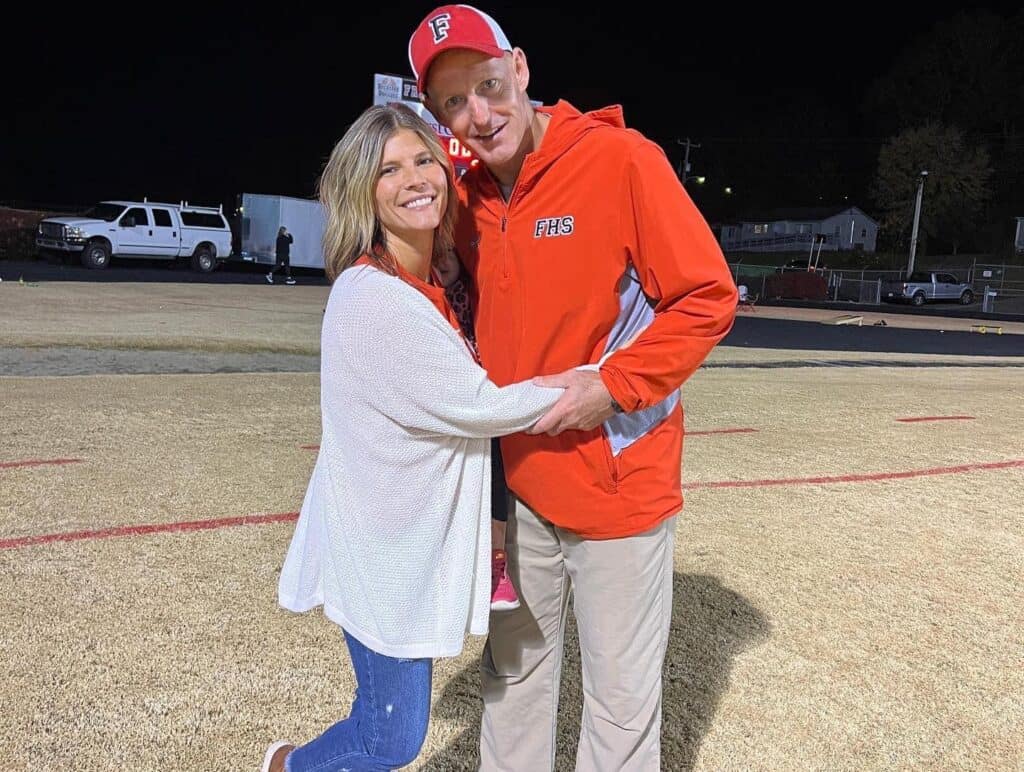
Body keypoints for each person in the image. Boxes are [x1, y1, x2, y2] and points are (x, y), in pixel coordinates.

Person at [409, 6, 739, 770]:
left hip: (618, 484)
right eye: (454, 101)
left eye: (489, 86)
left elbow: (707, 297)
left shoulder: (620, 161)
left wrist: (613, 386)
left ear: (520, 68)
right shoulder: (466, 199)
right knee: (510, 682)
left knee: (619, 705)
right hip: (519, 490)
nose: (479, 114)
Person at [261, 103, 566, 772]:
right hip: (383, 552)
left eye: (424, 160)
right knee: (390, 738)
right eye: (389, 170)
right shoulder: (376, 299)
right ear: (362, 194)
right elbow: (480, 405)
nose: (415, 179)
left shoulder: (432, 283)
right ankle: (288, 767)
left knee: (384, 720)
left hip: (402, 540)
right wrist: (588, 384)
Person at [436, 248, 519, 610]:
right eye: (434, 257)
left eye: (447, 255)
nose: (441, 263)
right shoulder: (419, 298)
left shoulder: (476, 296)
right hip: (446, 406)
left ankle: (496, 564)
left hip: (483, 401)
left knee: (494, 469)